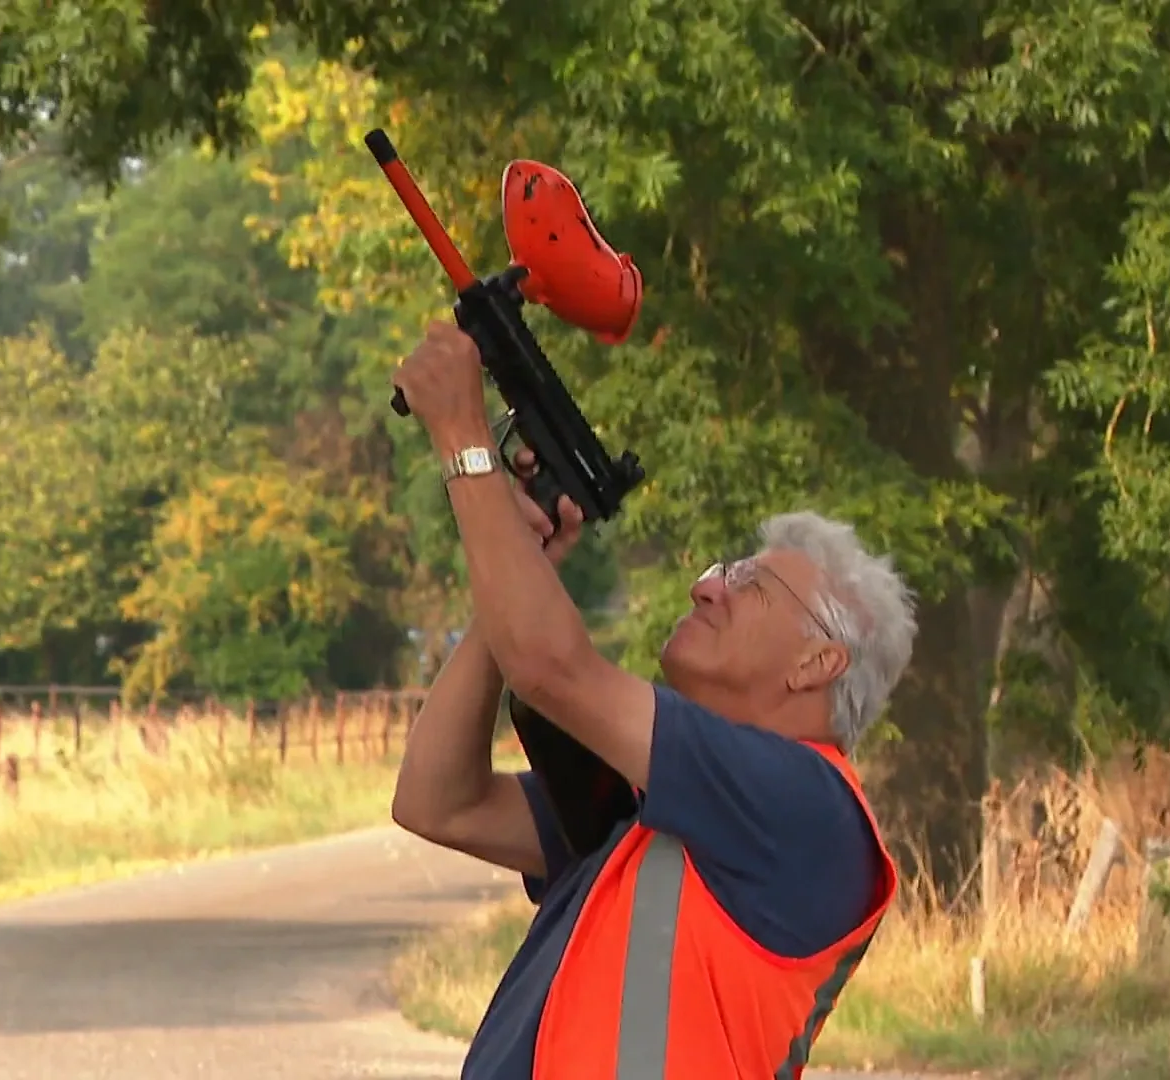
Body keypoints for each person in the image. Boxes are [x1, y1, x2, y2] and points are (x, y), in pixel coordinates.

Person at [388, 321, 917, 1080]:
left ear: (818, 662)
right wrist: (516, 560)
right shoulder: (658, 814)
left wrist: (467, 446)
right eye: (721, 568)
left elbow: (551, 669)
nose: (707, 584)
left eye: (748, 584)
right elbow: (438, 801)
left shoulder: (803, 806)